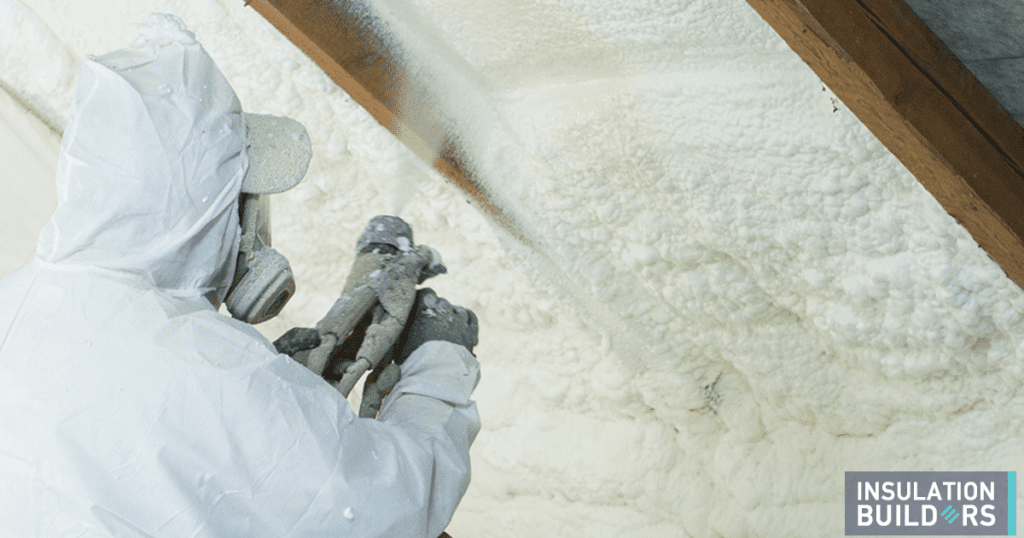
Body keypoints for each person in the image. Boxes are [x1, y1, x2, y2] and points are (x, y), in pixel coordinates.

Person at [0, 13, 480, 538]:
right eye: (243, 200)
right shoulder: (204, 367)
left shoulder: (19, 304)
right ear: (203, 211)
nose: (252, 229)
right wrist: (440, 367)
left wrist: (283, 403)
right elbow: (378, 511)